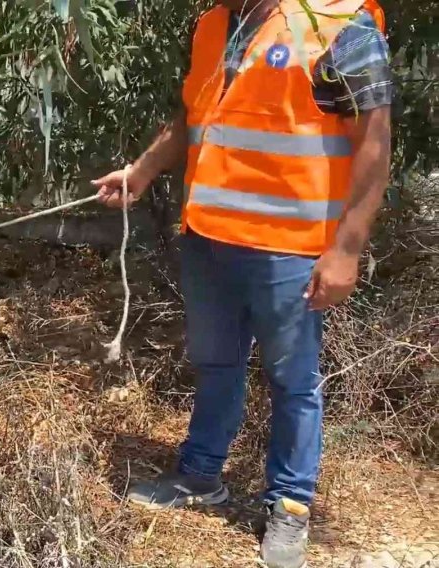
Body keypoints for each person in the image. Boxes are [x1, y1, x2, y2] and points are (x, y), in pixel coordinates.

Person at [92, 0, 392, 566]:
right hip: (209, 236)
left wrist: (346, 249)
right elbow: (197, 115)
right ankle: (201, 475)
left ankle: (291, 506)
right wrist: (143, 171)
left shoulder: (338, 24)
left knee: (292, 380)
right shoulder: (211, 25)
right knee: (216, 362)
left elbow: (374, 143)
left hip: (291, 246)